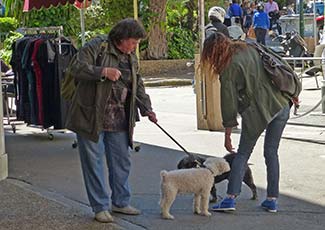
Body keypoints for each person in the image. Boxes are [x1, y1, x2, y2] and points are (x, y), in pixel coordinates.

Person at [65, 18, 158, 223]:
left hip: (120, 117)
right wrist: (102, 72)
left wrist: (147, 109)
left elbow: (138, 84)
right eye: (133, 42)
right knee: (94, 163)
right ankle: (100, 206)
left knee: (122, 161)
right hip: (90, 115)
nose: (135, 47)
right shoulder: (97, 46)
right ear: (122, 38)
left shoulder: (131, 57)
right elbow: (76, 67)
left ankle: (121, 202)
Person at [200, 32, 293, 213]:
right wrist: (292, 94)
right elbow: (280, 63)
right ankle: (272, 200)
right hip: (281, 105)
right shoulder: (251, 46)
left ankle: (230, 199)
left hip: (257, 112)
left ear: (213, 52)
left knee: (242, 154)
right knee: (271, 153)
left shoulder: (227, 67)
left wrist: (227, 135)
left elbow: (228, 104)